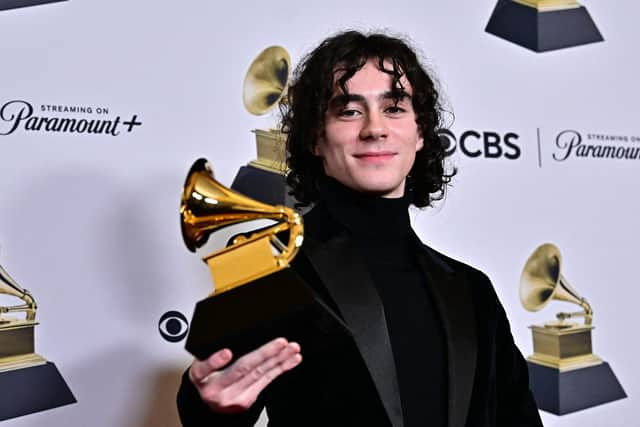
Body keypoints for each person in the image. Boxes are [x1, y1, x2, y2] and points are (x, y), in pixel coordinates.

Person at [177, 30, 543, 427]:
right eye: (349, 111)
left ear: (420, 133)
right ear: (315, 138)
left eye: (394, 108)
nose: (375, 128)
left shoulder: (474, 290)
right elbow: (214, 397)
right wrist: (207, 407)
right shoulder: (271, 273)